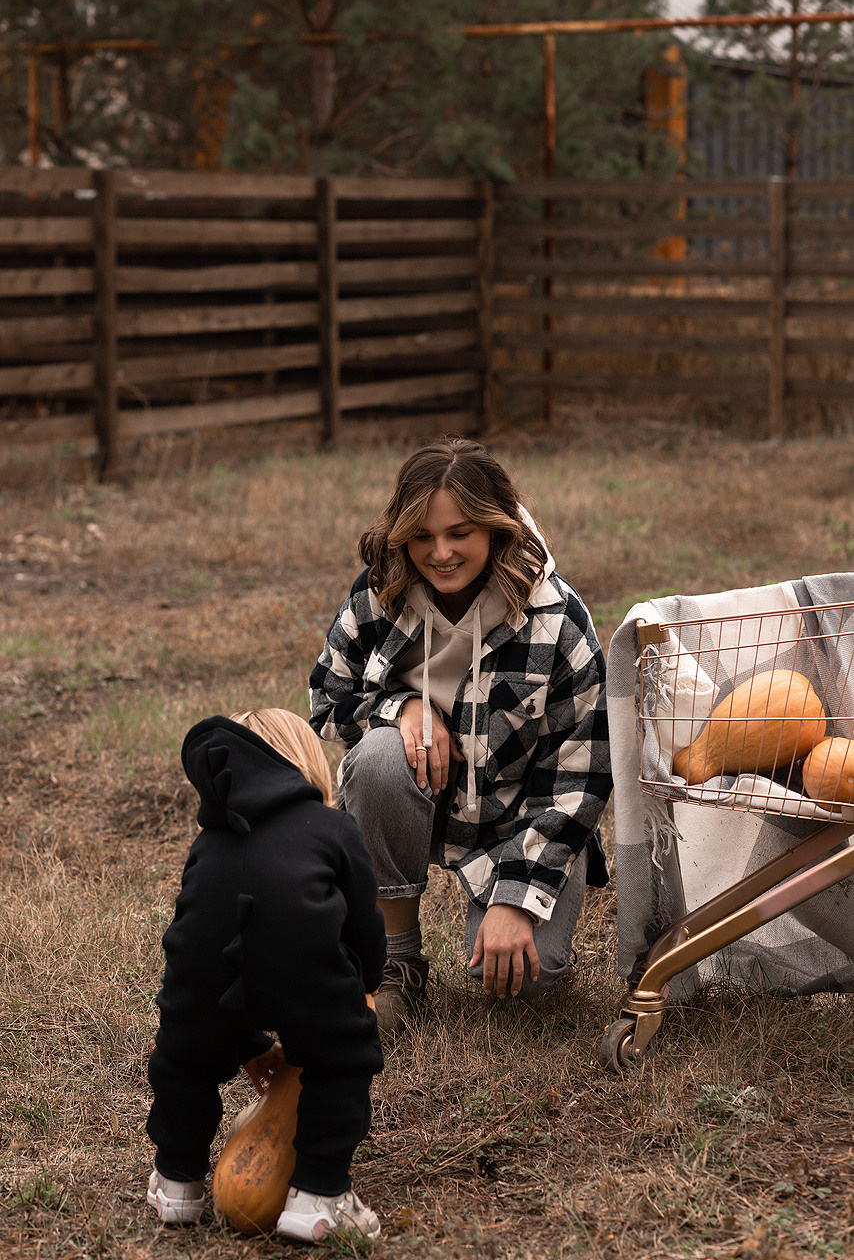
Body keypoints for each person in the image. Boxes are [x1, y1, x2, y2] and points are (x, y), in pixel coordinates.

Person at [309, 438, 612, 1034]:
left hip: (515, 820)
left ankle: (513, 909)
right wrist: (401, 707)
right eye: (422, 535)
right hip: (415, 793)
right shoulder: (381, 590)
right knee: (376, 758)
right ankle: (395, 959)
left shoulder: (556, 617)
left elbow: (581, 775)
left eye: (460, 533)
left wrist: (516, 898)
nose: (440, 553)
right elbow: (327, 697)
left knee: (522, 983)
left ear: (495, 528)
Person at [145, 707, 386, 1243]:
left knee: (184, 1059)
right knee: (339, 1058)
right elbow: (364, 928)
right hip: (304, 969)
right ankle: (320, 1195)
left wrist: (241, 1037)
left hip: (202, 974)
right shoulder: (334, 827)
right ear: (306, 764)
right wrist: (363, 986)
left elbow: (203, 934)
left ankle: (176, 1181)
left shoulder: (208, 842)